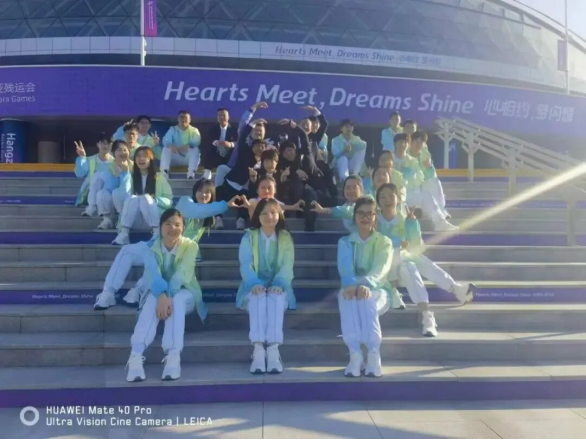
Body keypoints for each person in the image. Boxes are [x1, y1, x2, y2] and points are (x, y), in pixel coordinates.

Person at [94, 179, 238, 310]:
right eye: (200, 191)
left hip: (173, 254)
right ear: (194, 192)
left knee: (162, 262)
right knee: (127, 250)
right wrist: (224, 205)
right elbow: (196, 211)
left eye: (207, 192)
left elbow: (193, 237)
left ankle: (138, 290)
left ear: (212, 195)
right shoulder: (186, 202)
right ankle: (108, 293)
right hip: (156, 244)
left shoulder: (208, 218)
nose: (203, 195)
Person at [376, 183, 476, 337]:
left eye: (391, 195)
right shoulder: (375, 220)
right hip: (385, 268)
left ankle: (427, 315)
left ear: (398, 199)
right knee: (410, 259)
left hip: (403, 264)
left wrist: (412, 224)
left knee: (410, 265)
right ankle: (454, 290)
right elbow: (377, 242)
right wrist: (397, 243)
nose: (387, 199)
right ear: (378, 201)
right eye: (382, 197)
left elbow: (415, 244)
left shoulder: (404, 218)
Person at [125, 209, 207, 382]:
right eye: (168, 224)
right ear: (161, 226)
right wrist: (162, 295)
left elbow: (182, 274)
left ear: (183, 228)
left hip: (186, 293)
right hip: (158, 293)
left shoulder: (191, 246)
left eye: (177, 224)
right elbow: (153, 275)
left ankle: (173, 356)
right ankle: (135, 356)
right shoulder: (150, 248)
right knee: (151, 301)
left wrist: (167, 296)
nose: (172, 228)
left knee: (176, 300)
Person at [337, 196, 394, 378]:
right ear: (354, 217)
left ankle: (373, 353)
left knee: (366, 299)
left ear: (376, 217)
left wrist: (365, 285)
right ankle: (355, 354)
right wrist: (352, 285)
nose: (365, 217)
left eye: (370, 213)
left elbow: (381, 268)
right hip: (351, 288)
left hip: (379, 291)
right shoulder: (345, 242)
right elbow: (345, 268)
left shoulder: (384, 242)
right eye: (361, 213)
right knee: (347, 297)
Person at [237, 199, 295, 375]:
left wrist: (279, 284)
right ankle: (258, 349)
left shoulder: (285, 237)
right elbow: (245, 264)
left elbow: (287, 265)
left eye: (273, 212)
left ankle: (273, 350)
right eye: (264, 213)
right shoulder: (249, 237)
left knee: (275, 297)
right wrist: (254, 284)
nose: (269, 216)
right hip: (252, 287)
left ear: (279, 215)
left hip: (280, 287)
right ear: (257, 216)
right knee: (258, 297)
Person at [393, 134, 457, 232]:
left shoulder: (412, 161)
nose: (402, 145)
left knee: (427, 196)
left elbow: (420, 177)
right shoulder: (390, 158)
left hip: (409, 194)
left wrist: (411, 177)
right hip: (394, 195)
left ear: (407, 144)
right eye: (400, 143)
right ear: (395, 144)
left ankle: (441, 223)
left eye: (404, 143)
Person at [112, 146, 173, 245]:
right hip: (134, 220)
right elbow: (122, 197)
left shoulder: (159, 178)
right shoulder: (131, 177)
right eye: (138, 156)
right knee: (133, 198)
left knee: (145, 198)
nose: (141, 159)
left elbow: (169, 201)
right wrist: (125, 174)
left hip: (153, 218)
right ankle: (124, 234)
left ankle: (157, 233)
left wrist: (154, 201)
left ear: (151, 159)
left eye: (144, 156)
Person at [216, 116, 268, 230]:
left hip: (247, 190)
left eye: (262, 147)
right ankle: (218, 218)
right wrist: (253, 122)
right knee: (220, 192)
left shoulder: (265, 161)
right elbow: (243, 136)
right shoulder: (245, 151)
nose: (260, 148)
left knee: (249, 198)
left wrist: (255, 178)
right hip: (232, 183)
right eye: (257, 146)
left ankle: (241, 220)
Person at [92, 140, 133, 230]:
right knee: (102, 194)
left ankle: (123, 219)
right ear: (114, 152)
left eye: (125, 150)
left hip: (128, 195)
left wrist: (125, 173)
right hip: (113, 196)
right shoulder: (109, 167)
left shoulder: (133, 165)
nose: (123, 153)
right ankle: (107, 220)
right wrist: (116, 175)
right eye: (119, 150)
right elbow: (109, 187)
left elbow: (128, 187)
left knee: (118, 193)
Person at [411, 131, 449, 219]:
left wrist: (429, 167)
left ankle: (441, 212)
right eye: (416, 141)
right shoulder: (406, 153)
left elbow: (430, 171)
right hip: (412, 181)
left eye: (422, 142)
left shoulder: (425, 152)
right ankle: (415, 210)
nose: (419, 144)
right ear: (411, 142)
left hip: (424, 179)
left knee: (433, 182)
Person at [74, 133, 114, 213]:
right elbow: (80, 174)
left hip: (109, 193)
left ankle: (94, 207)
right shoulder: (90, 160)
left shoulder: (115, 162)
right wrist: (82, 158)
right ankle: (92, 206)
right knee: (97, 176)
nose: (106, 146)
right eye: (103, 143)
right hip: (91, 193)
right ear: (97, 144)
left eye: (108, 143)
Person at [161, 110, 204, 180]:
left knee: (195, 149)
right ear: (178, 119)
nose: (183, 119)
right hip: (176, 157)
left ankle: (191, 175)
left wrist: (188, 145)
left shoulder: (194, 130)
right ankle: (164, 174)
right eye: (181, 117)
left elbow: (197, 140)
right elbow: (165, 140)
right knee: (166, 148)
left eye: (185, 117)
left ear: (190, 120)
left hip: (188, 159)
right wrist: (170, 145)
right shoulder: (173, 129)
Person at [203, 108, 238, 178]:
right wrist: (215, 142)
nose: (222, 117)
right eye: (219, 115)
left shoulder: (234, 130)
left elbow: (239, 142)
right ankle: (207, 171)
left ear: (228, 117)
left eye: (224, 115)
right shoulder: (213, 129)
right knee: (207, 146)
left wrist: (230, 144)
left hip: (228, 155)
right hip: (216, 155)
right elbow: (208, 139)